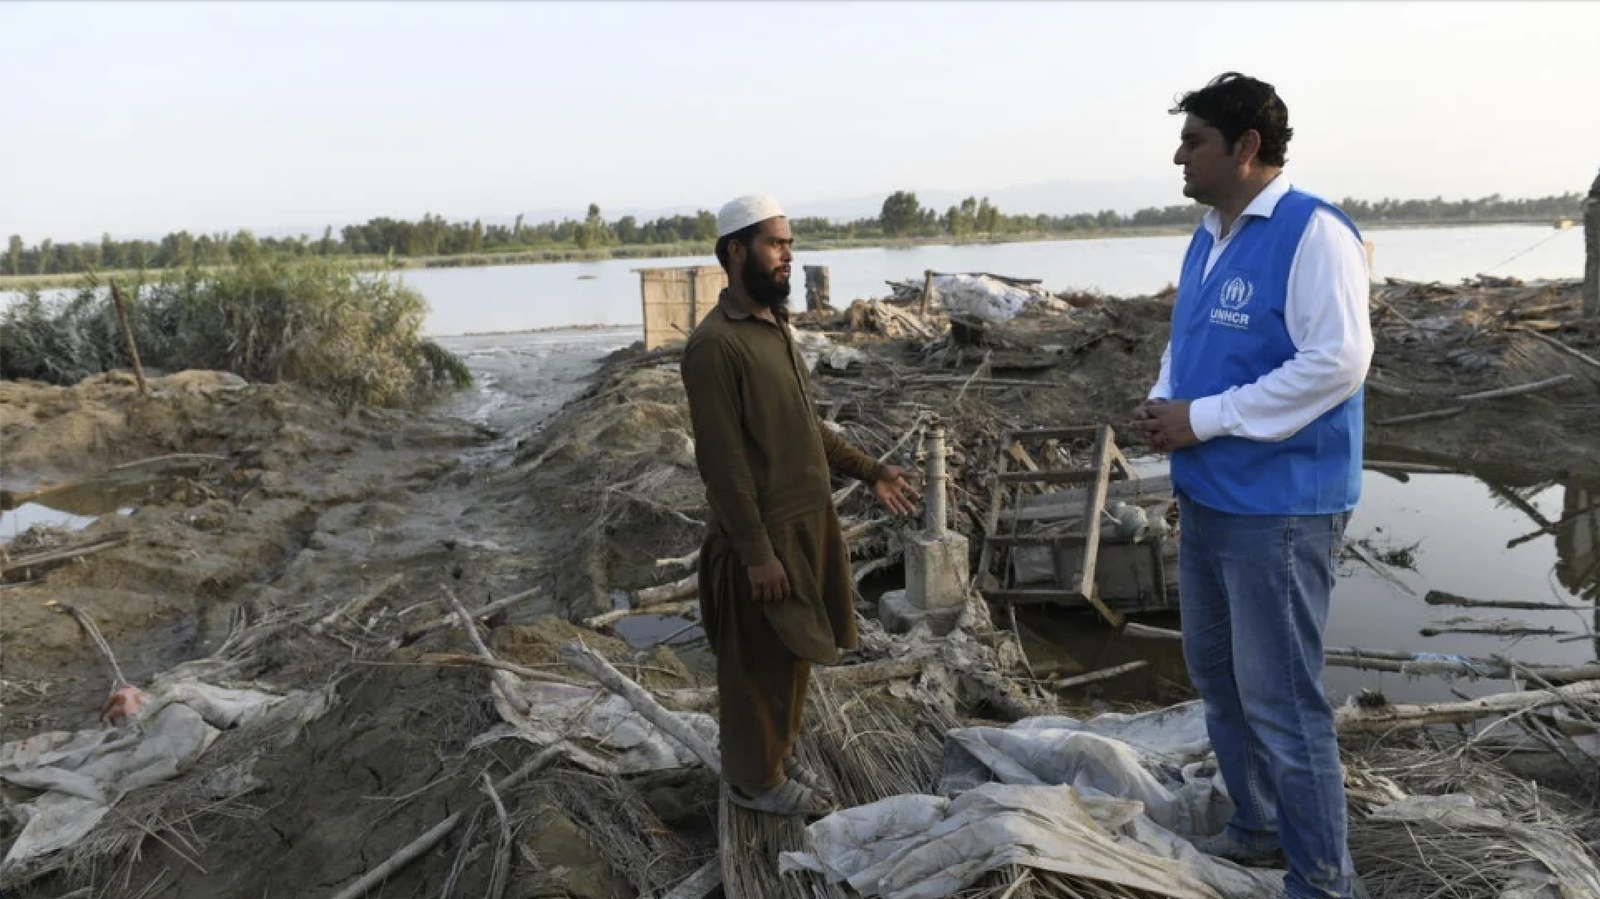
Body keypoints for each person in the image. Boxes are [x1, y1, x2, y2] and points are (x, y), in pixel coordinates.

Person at [1131, 73, 1374, 899]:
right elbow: (1188, 340)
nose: (1179, 155)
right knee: (1219, 676)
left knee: (1283, 698)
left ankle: (1323, 879)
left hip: (1280, 509)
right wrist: (1169, 402)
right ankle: (1258, 824)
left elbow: (1338, 362)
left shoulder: (1314, 233)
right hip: (1209, 496)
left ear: (1246, 147)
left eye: (1194, 140)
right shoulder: (1208, 234)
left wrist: (1206, 417)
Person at [680, 194, 921, 816]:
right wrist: (756, 553)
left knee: (792, 655)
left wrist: (871, 471)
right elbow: (724, 464)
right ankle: (755, 784)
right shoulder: (715, 346)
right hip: (761, 536)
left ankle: (776, 760)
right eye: (775, 244)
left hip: (807, 525)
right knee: (756, 668)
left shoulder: (774, 327)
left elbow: (805, 427)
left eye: (789, 244)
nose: (789, 256)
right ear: (736, 251)